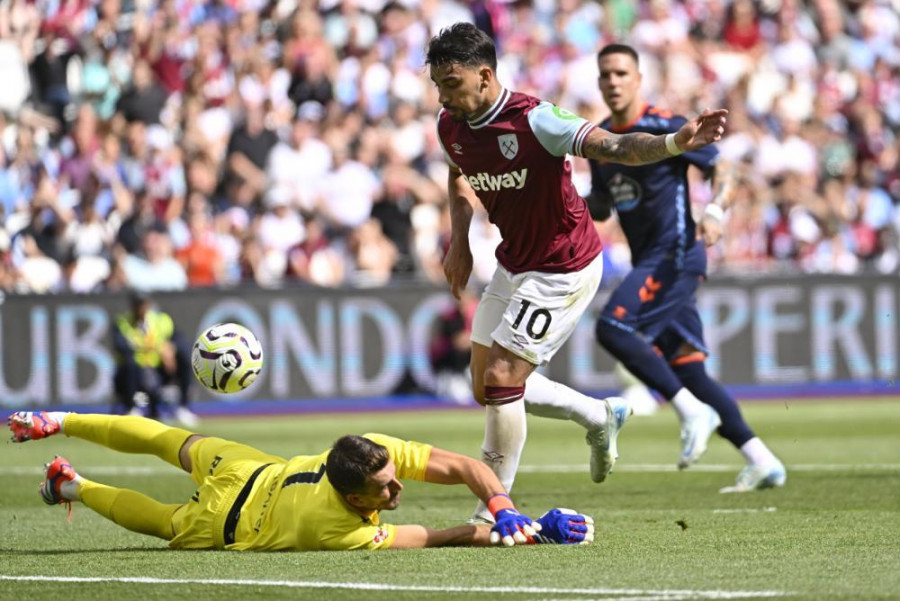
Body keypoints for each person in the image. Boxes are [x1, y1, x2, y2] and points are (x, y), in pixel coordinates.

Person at [426, 23, 729, 521]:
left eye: (451, 84)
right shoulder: (450, 125)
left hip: (564, 265)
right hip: (514, 261)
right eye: (437, 85)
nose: (443, 96)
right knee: (484, 387)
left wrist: (674, 142)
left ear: (484, 76)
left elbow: (615, 148)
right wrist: (459, 241)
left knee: (504, 379)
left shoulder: (536, 119)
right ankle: (599, 414)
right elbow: (458, 176)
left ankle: (495, 512)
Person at [587, 43, 786, 493]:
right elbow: (601, 206)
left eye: (621, 72)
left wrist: (715, 211)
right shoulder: (598, 141)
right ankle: (763, 459)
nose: (613, 81)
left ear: (638, 78)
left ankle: (687, 409)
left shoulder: (668, 126)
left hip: (676, 253)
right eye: (605, 75)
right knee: (691, 369)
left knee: (614, 328)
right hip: (651, 259)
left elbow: (725, 171)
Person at [7, 411, 594, 550]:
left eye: (393, 479)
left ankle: (61, 426)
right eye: (385, 491)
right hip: (228, 521)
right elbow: (437, 537)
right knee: (163, 520)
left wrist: (502, 503)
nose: (398, 491)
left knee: (166, 439)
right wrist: (526, 533)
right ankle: (73, 487)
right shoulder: (335, 526)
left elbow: (468, 467)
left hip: (247, 467)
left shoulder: (373, 452)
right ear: (352, 497)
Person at [112, 291, 197, 426]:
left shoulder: (160, 320)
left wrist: (170, 347)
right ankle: (132, 407)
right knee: (130, 364)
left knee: (184, 358)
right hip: (135, 371)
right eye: (137, 305)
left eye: (143, 305)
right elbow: (121, 346)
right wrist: (157, 347)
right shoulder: (123, 323)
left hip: (158, 368)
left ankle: (183, 407)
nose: (140, 309)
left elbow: (179, 338)